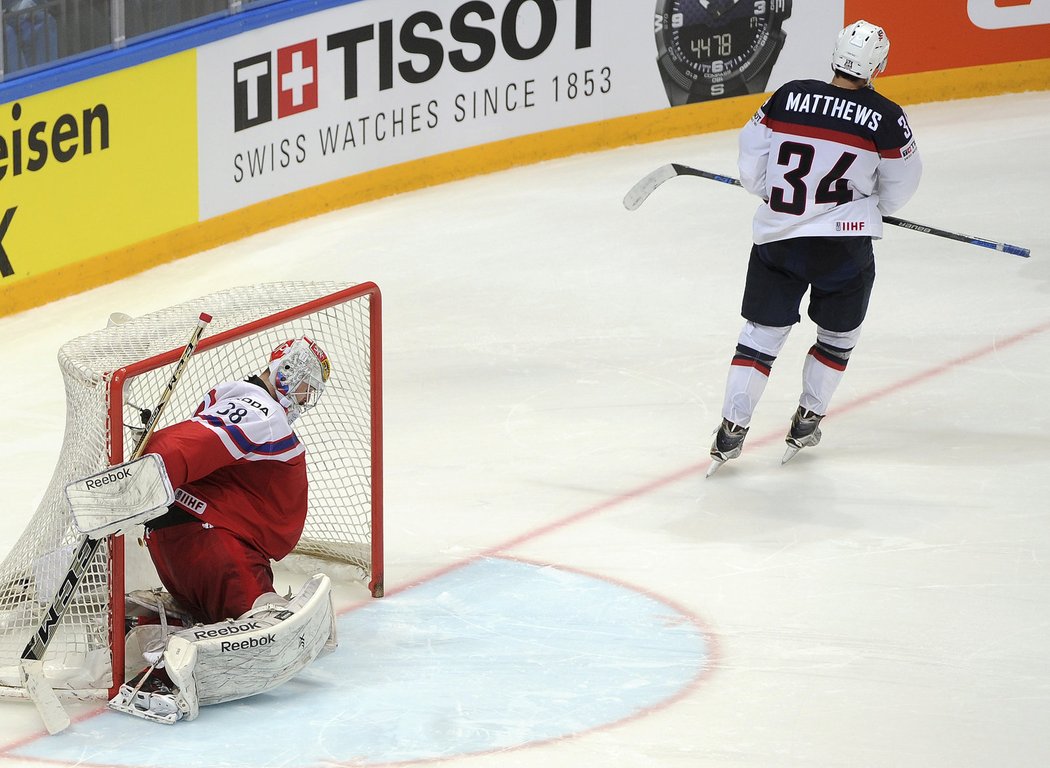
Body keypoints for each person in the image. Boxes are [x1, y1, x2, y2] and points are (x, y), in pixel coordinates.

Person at [707, 20, 922, 475]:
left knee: (760, 336)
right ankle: (807, 419)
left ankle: (731, 427)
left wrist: (765, 187)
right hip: (842, 248)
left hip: (777, 240)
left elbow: (751, 154)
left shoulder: (788, 94)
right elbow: (901, 185)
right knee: (838, 336)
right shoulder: (886, 116)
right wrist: (874, 208)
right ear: (877, 66)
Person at [140, 335, 331, 624]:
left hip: (183, 543)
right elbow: (192, 443)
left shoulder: (231, 398)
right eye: (307, 387)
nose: (304, 399)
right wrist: (148, 470)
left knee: (208, 621)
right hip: (216, 548)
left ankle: (152, 630)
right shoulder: (261, 412)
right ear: (288, 370)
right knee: (264, 633)